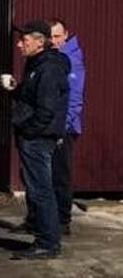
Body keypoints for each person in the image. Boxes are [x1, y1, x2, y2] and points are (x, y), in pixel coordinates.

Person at [2, 20, 70, 260]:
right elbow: (32, 98)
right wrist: (15, 89)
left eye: (25, 40)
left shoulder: (49, 68)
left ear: (41, 42)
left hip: (38, 138)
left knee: (41, 190)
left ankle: (47, 242)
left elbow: (46, 108)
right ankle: (44, 237)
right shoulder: (37, 64)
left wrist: (30, 131)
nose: (20, 44)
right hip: (33, 136)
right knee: (37, 188)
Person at [50, 19, 85, 237]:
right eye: (51, 37)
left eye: (58, 36)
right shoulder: (51, 58)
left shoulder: (72, 60)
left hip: (64, 128)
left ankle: (63, 220)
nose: (54, 41)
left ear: (66, 35)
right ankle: (37, 218)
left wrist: (62, 127)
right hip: (49, 126)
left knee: (60, 175)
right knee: (43, 175)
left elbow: (74, 99)